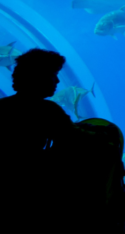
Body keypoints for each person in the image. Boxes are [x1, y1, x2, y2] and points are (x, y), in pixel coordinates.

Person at [0, 48, 73, 234]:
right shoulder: (48, 111)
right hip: (29, 197)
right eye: (53, 74)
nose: (57, 81)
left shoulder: (3, 107)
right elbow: (72, 145)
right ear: (37, 76)